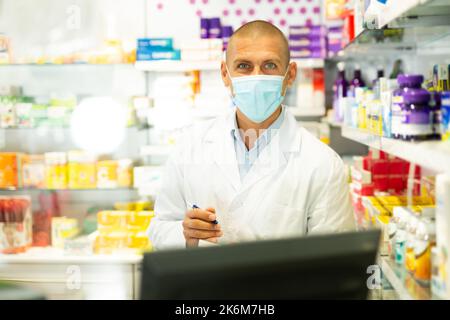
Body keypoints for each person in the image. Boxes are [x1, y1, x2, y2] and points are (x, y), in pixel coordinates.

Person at [148, 20, 355, 249]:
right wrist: (185, 235)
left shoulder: (323, 164)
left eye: (270, 65)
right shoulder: (190, 146)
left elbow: (332, 261)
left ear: (290, 74)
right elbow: (160, 228)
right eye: (244, 66)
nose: (257, 77)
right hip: (206, 284)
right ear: (225, 74)